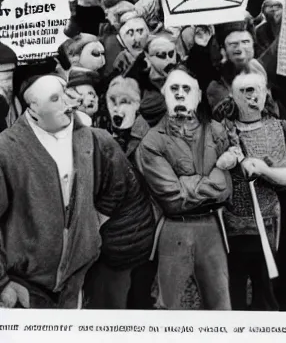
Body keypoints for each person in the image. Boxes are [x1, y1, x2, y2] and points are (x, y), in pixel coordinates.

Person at [0, 60, 143, 308]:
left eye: (67, 95)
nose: (68, 104)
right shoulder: (6, 150)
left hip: (76, 278)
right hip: (24, 285)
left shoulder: (94, 138)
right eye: (56, 99)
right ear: (32, 108)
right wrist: (2, 282)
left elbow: (119, 185)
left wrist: (90, 227)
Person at [136, 66, 233, 310]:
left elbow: (226, 189)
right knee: (170, 306)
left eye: (186, 88)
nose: (180, 94)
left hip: (212, 228)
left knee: (220, 304)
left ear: (198, 95)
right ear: (164, 94)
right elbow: (173, 197)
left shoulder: (217, 131)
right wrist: (214, 177)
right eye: (174, 89)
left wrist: (189, 183)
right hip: (174, 229)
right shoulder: (151, 142)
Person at [222, 70, 286, 310]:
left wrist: (263, 169)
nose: (252, 96)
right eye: (245, 91)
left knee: (264, 286)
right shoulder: (222, 130)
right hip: (231, 221)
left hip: (266, 219)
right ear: (233, 97)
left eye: (256, 89)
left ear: (266, 94)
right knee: (233, 285)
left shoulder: (276, 128)